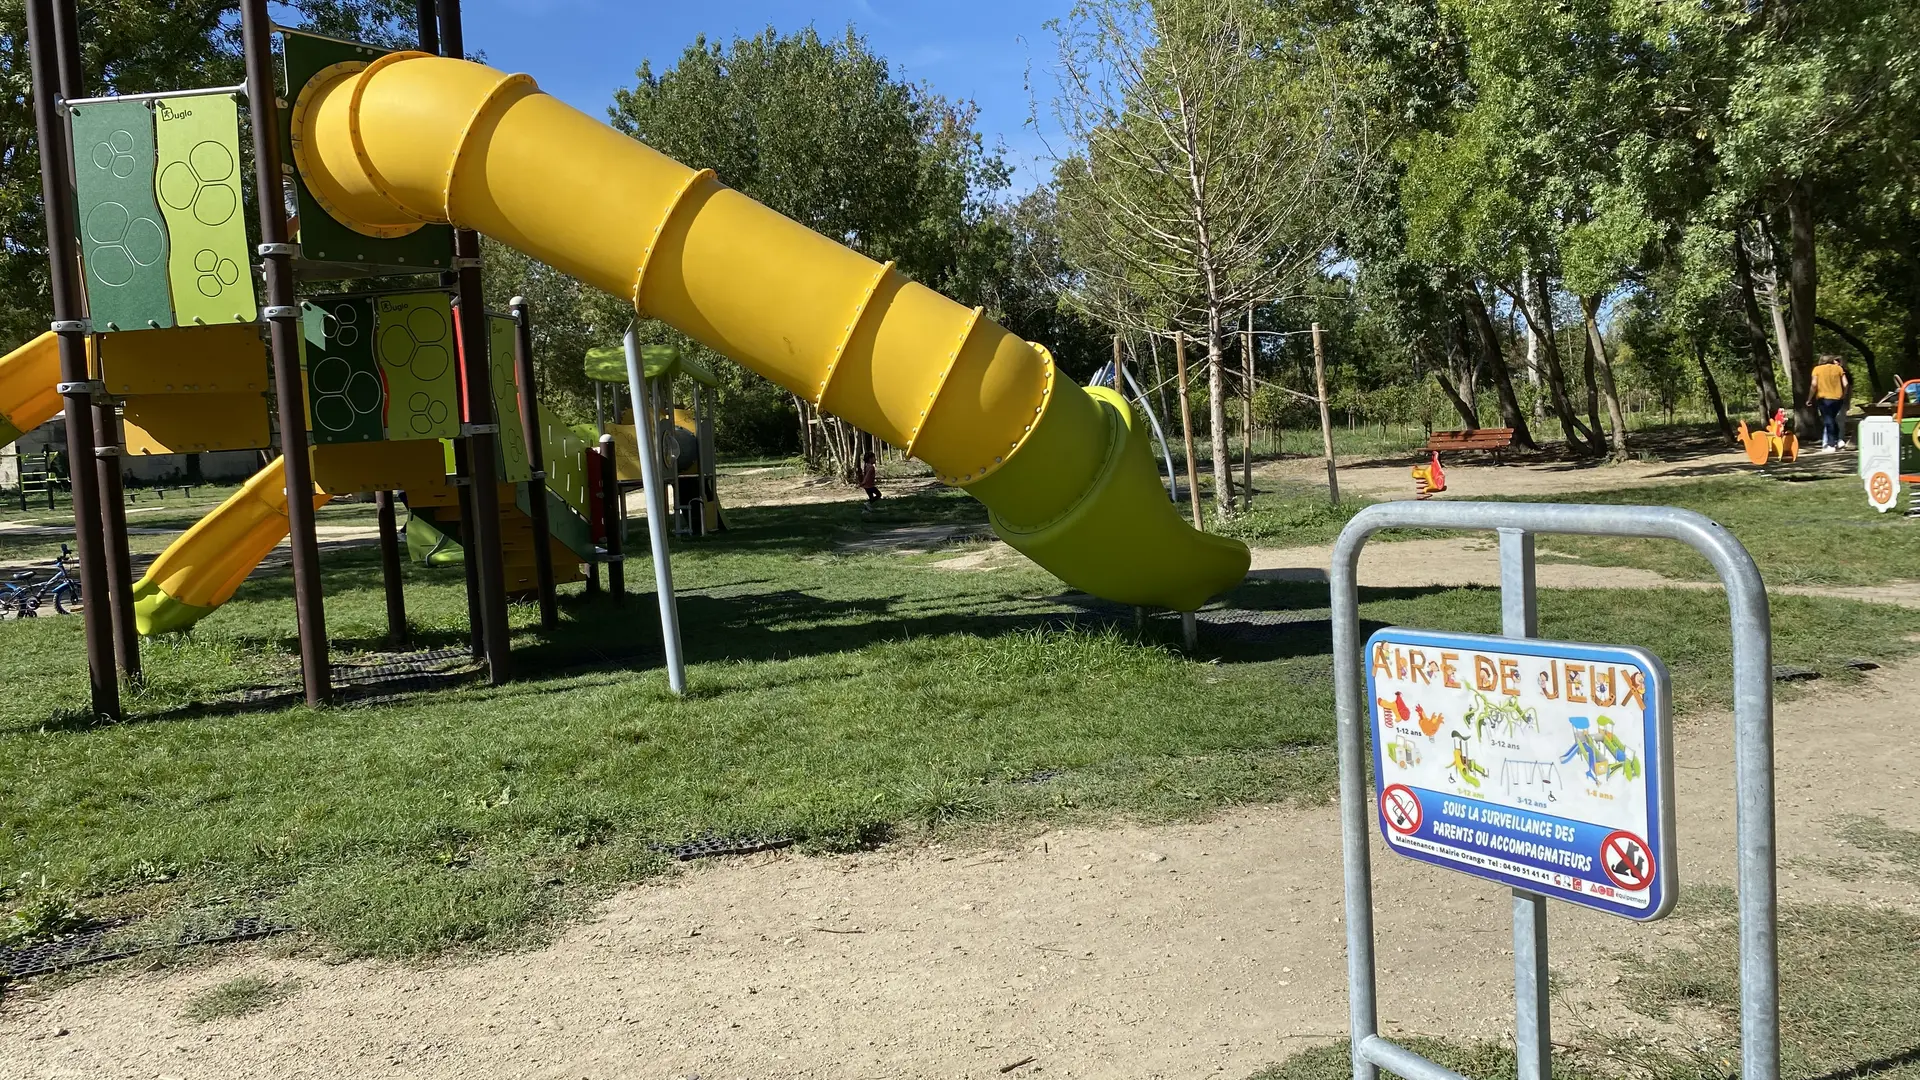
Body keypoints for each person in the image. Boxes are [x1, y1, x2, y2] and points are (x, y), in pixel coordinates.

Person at [1808, 354, 1852, 452]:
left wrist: (1809, 398)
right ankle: (1838, 440)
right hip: (1838, 398)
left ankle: (1831, 444)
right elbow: (1846, 384)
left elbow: (1814, 385)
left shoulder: (1817, 369)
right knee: (1832, 419)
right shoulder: (1838, 369)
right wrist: (1844, 394)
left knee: (1828, 420)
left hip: (1824, 398)